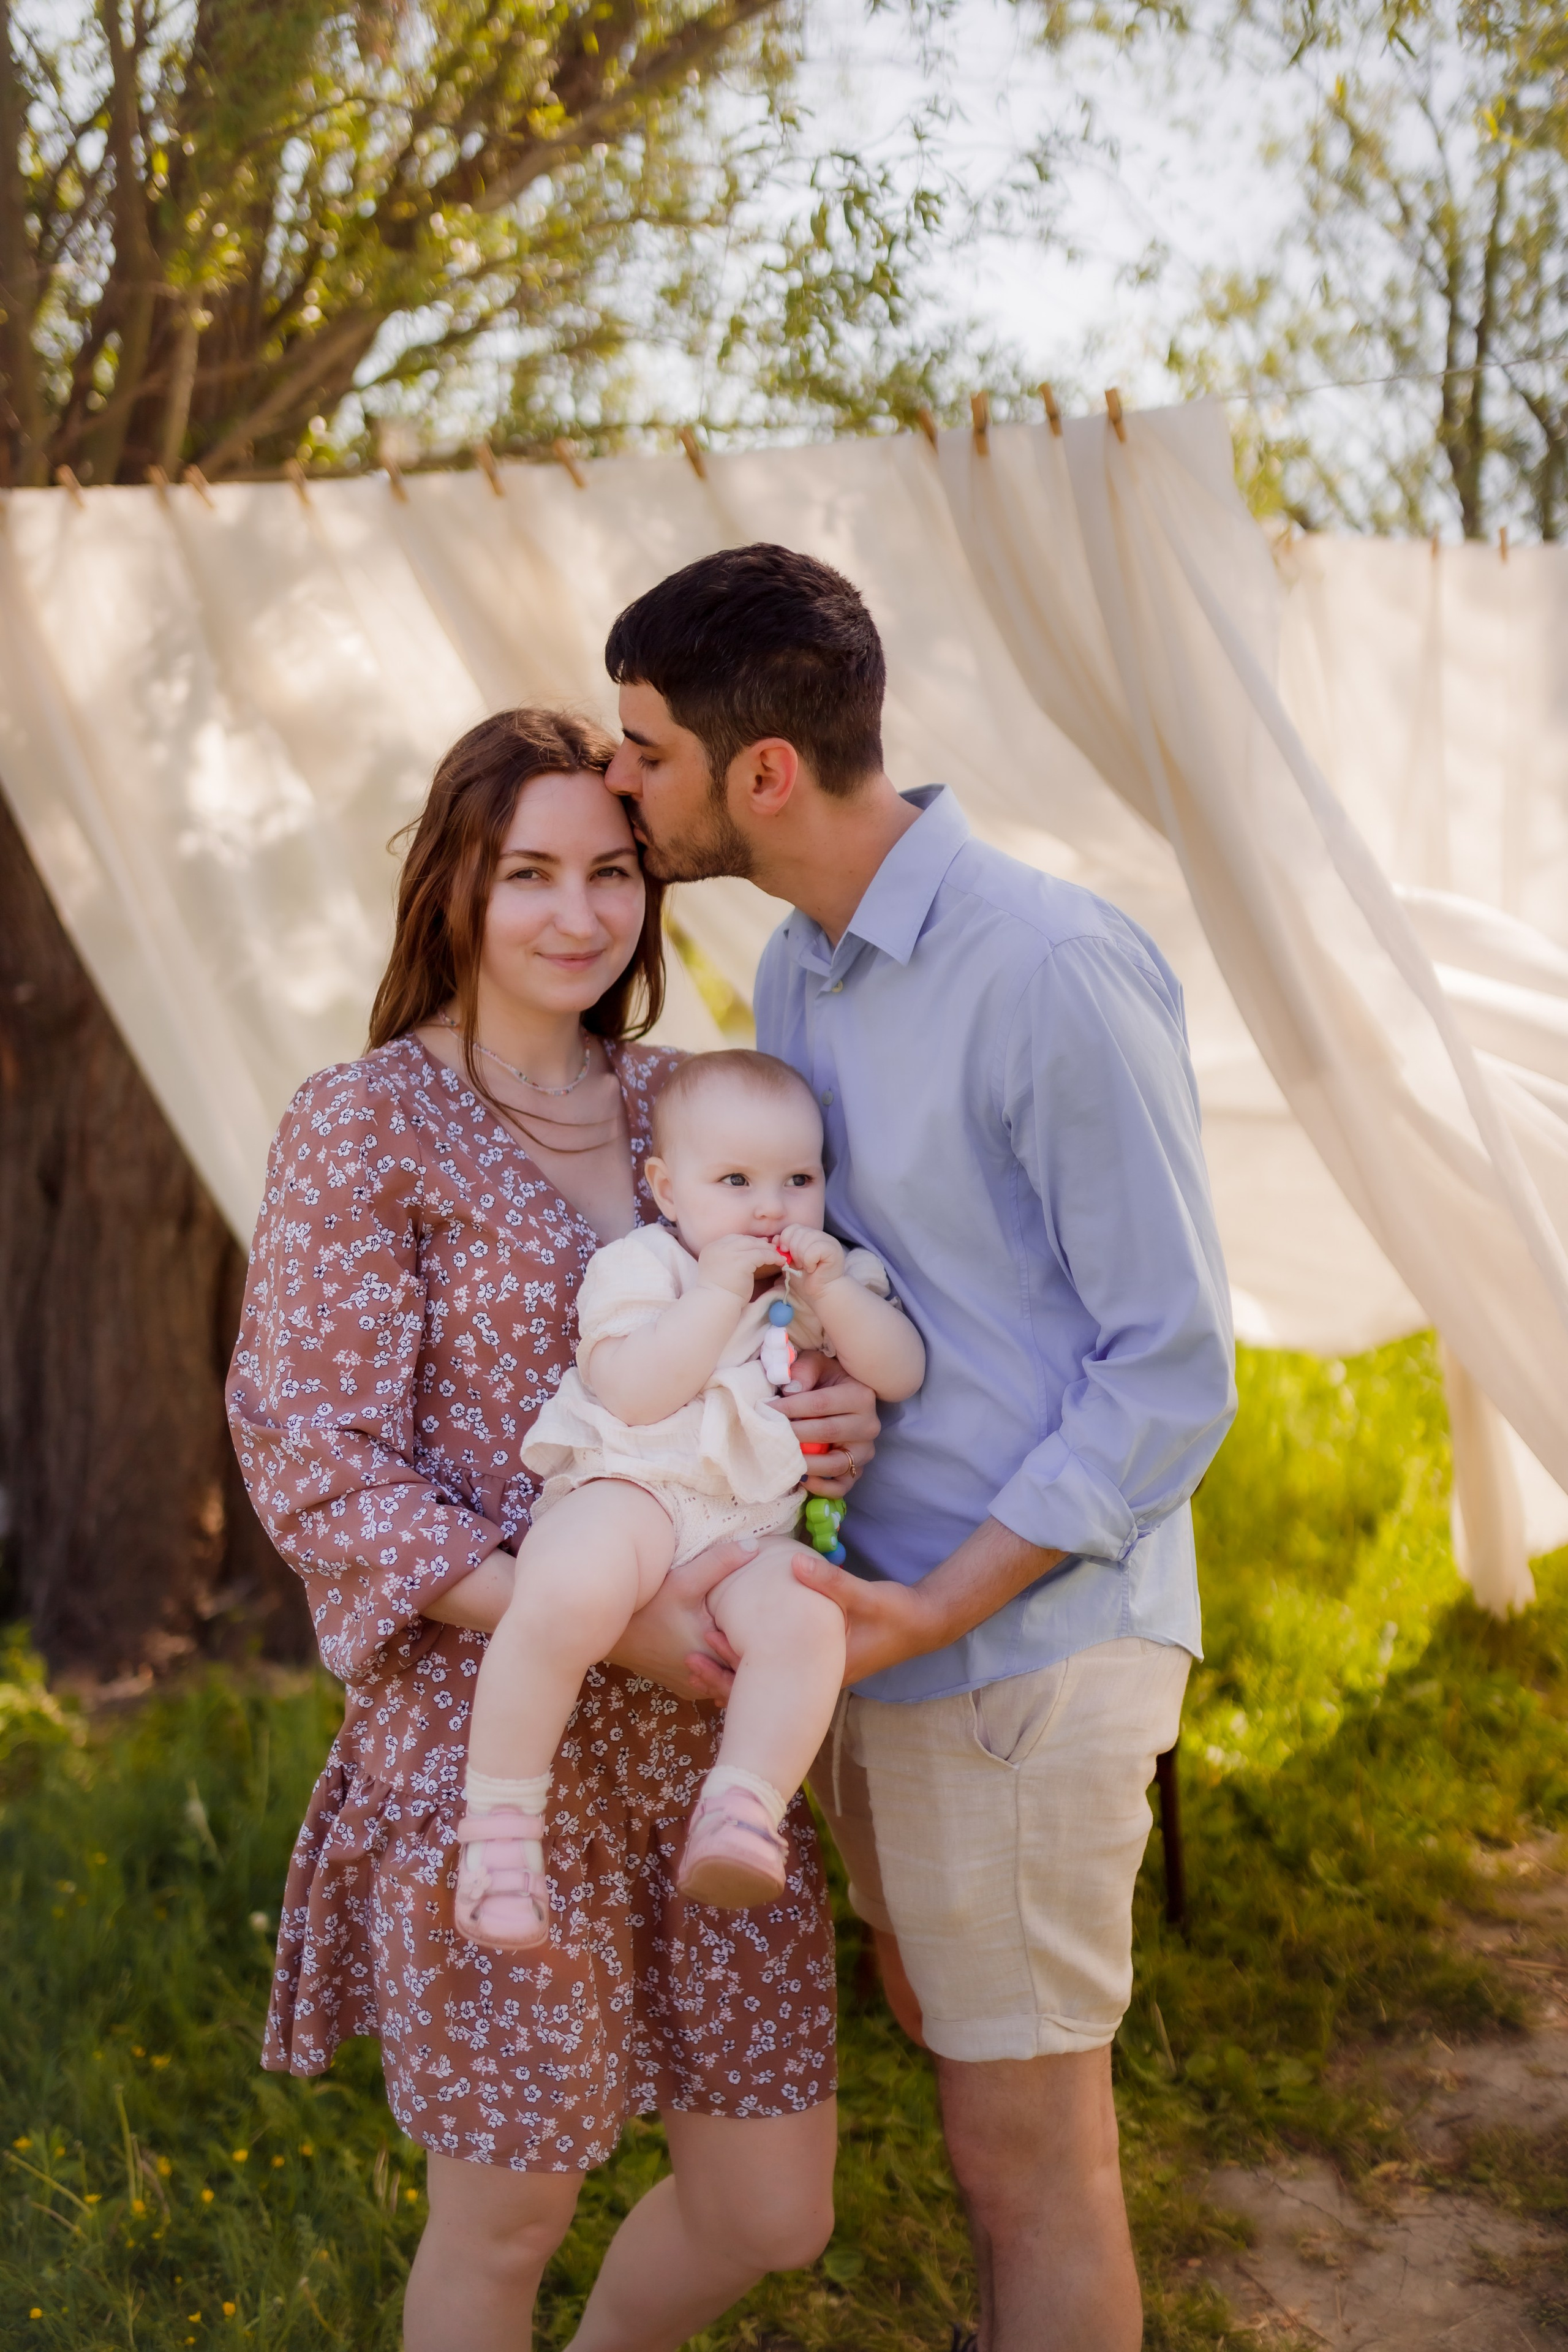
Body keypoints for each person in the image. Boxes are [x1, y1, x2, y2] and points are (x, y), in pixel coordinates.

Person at [602, 544, 1238, 2352]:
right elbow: (881, 1281)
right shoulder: (799, 972)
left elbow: (1173, 1370)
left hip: (1020, 1637)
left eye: (645, 752)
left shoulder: (1051, 969)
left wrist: (938, 1606)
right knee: (955, 2058)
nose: (620, 782)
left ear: (763, 773)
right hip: (874, 1628)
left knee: (1028, 2156)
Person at [226, 707, 882, 2352]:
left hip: (712, 1753)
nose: (578, 915)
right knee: (506, 2220)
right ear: (453, 883)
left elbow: (792, 1332)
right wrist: (595, 1616)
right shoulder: (367, 1122)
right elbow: (316, 1456)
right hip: (498, 1737)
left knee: (772, 2211)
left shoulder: (694, 1100)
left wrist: (835, 1418)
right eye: (528, 873)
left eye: (610, 873)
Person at [454, 1048, 923, 1943]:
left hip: (750, 1528)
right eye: (736, 1181)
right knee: (568, 1590)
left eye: (798, 1180)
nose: (770, 1208)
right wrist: (714, 1293)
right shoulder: (644, 1266)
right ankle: (502, 1833)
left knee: (809, 1619)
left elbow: (899, 1372)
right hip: (630, 1490)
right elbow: (637, 1393)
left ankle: (741, 1808)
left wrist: (836, 1294)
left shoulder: (820, 1284)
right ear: (668, 1190)